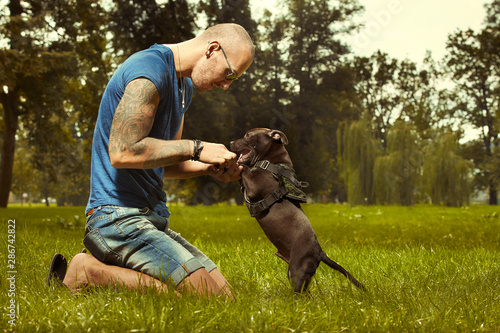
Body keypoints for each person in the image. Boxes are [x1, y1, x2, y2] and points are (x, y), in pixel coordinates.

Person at [47, 23, 255, 299]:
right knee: (199, 298)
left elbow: (164, 162)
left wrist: (208, 168)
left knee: (224, 297)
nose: (226, 85)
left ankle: (106, 267)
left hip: (151, 217)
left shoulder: (184, 88)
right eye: (230, 74)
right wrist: (197, 147)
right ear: (213, 49)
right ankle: (87, 270)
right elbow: (123, 152)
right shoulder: (149, 70)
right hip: (115, 218)